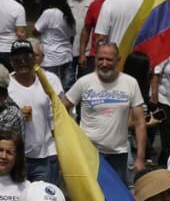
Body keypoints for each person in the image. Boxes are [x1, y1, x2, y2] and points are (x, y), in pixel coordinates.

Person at [62, 41, 147, 186]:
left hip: (118, 155)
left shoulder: (131, 83)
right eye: (100, 59)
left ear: (118, 60)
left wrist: (140, 158)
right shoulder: (84, 82)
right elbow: (62, 109)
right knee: (91, 200)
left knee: (116, 200)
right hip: (88, 153)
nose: (104, 63)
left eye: (109, 59)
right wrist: (71, 133)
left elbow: (139, 123)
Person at [7, 40, 62, 183]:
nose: (23, 62)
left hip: (46, 154)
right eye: (18, 59)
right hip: (16, 156)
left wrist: (62, 151)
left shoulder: (49, 80)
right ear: (11, 61)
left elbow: (59, 116)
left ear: (34, 59)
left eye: (27, 57)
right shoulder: (5, 84)